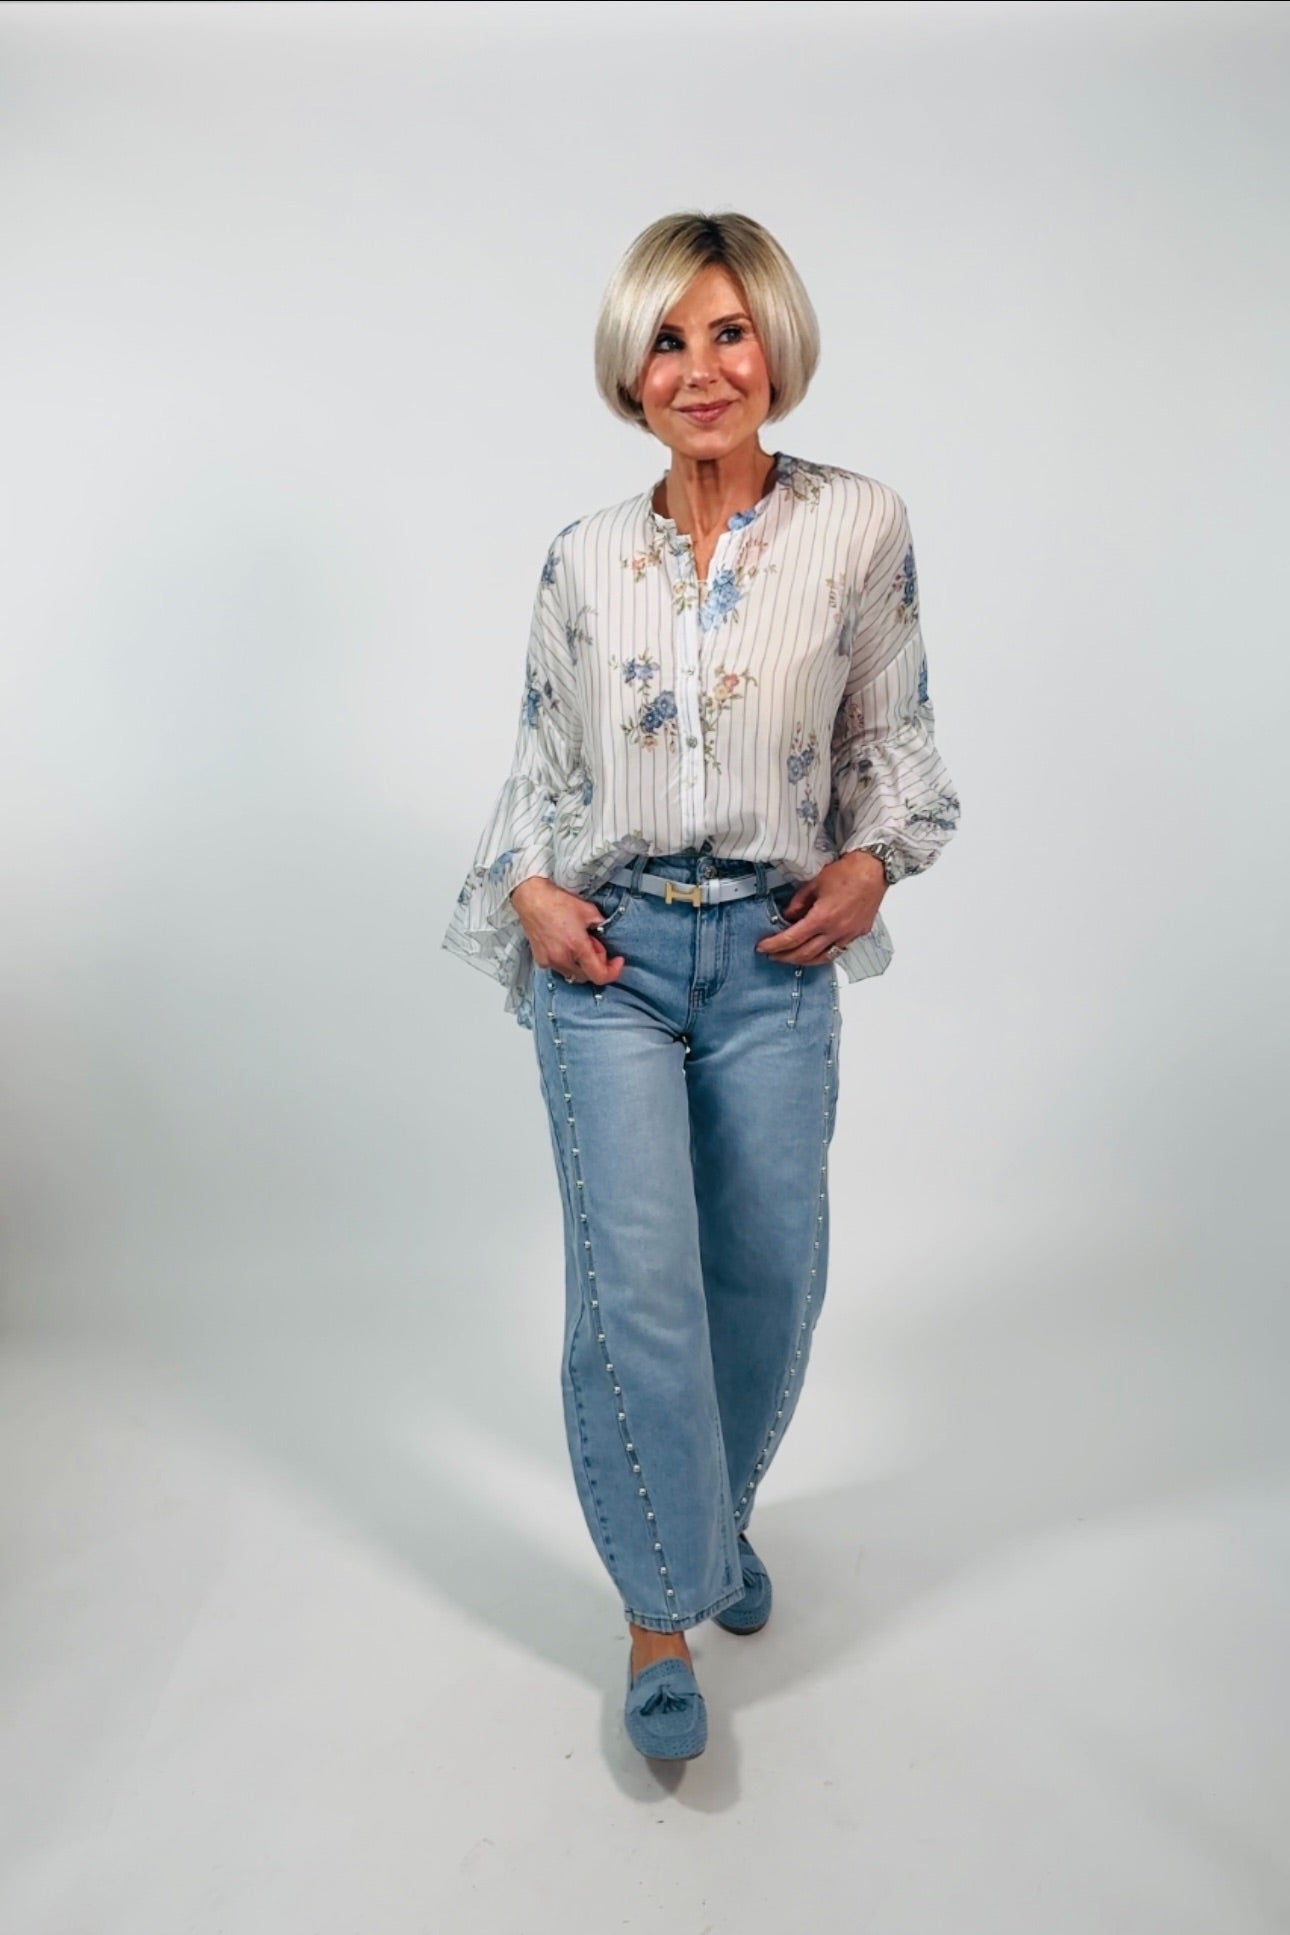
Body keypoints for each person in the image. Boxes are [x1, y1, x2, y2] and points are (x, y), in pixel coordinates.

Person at [442, 210, 961, 1762]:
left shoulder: (857, 526)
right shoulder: (582, 555)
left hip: (768, 953)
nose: (700, 369)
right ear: (630, 369)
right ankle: (659, 1614)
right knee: (638, 1291)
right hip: (606, 957)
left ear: (774, 344)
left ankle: (705, 1521)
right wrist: (528, 888)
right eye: (666, 340)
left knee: (766, 1274)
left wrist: (872, 866)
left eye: (727, 331)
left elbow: (894, 741)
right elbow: (540, 763)